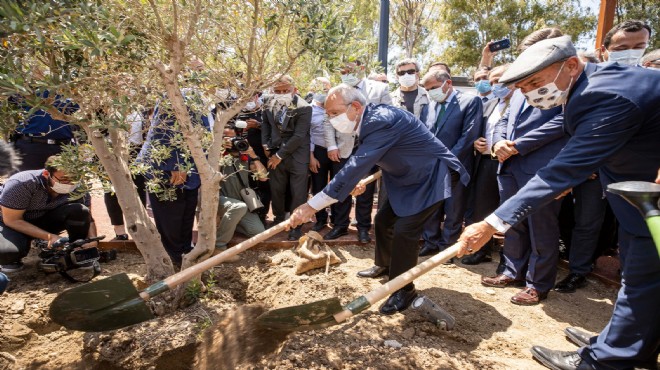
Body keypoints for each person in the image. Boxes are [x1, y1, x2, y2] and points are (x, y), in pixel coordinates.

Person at [458, 35, 660, 370]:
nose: (530, 92)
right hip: (636, 200)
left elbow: (560, 171)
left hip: (650, 202)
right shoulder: (585, 87)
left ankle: (606, 360)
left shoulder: (604, 93)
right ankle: (629, 345)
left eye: (535, 82)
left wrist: (492, 222)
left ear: (571, 65)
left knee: (641, 279)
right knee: (644, 278)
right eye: (523, 88)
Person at [287, 84, 469, 315]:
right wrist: (359, 179)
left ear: (355, 106)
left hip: (432, 175)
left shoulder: (380, 119)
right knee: (383, 221)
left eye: (334, 113)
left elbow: (354, 164)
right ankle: (385, 265)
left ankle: (403, 289)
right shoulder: (370, 118)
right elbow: (373, 155)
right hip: (407, 176)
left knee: (405, 231)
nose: (331, 119)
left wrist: (310, 205)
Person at [138, 93, 210, 268]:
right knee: (172, 217)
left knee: (186, 214)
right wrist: (176, 164)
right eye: (198, 70)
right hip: (169, 169)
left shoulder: (199, 97)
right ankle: (173, 260)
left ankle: (185, 254)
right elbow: (164, 131)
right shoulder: (175, 95)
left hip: (191, 170)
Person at [418, 70, 483, 260]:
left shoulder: (470, 101)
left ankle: (447, 248)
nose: (431, 92)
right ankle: (430, 242)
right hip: (431, 165)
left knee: (454, 207)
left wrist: (448, 160)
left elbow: (469, 135)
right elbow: (424, 135)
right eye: (427, 89)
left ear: (448, 83)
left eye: (433, 88)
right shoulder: (427, 107)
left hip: (457, 165)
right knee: (432, 206)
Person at [330, 60, 393, 243]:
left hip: (369, 147)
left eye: (349, 70)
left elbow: (389, 116)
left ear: (362, 69)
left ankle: (363, 228)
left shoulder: (379, 89)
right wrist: (332, 145)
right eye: (343, 70)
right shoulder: (337, 91)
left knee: (364, 189)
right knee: (342, 186)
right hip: (343, 146)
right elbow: (329, 120)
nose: (346, 73)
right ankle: (340, 226)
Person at [0, 155, 98, 273]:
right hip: (12, 223)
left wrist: (92, 240)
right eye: (64, 179)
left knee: (80, 210)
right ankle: (13, 256)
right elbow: (12, 220)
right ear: (47, 174)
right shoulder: (21, 183)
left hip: (46, 218)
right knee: (7, 253)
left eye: (75, 178)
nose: (70, 183)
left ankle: (77, 250)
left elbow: (89, 217)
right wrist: (49, 237)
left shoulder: (79, 186)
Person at [462, 64, 513, 267]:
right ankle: (481, 250)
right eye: (492, 82)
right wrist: (476, 144)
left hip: (511, 163)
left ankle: (509, 257)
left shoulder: (523, 103)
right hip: (486, 162)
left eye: (500, 80)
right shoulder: (489, 105)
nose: (495, 85)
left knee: (510, 209)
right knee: (482, 208)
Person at [261, 75, 311, 241]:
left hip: (297, 154)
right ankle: (278, 219)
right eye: (277, 91)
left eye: (285, 90)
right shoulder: (267, 102)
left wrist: (278, 155)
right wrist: (265, 146)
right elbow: (266, 126)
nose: (281, 93)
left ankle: (296, 225)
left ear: (294, 89)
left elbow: (298, 136)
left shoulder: (304, 107)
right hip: (274, 151)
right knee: (277, 188)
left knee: (298, 191)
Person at [215, 127, 268, 251]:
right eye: (226, 138)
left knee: (259, 233)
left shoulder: (245, 156)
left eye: (234, 138)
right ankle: (219, 245)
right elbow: (212, 175)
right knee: (238, 207)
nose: (231, 142)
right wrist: (220, 150)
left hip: (240, 203)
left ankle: (229, 222)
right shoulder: (215, 155)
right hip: (219, 199)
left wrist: (253, 155)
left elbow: (264, 178)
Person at [9, 88, 78, 171]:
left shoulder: (68, 89)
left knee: (64, 182)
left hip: (63, 147)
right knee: (26, 181)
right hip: (30, 148)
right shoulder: (20, 88)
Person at [307, 77, 334, 232]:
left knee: (338, 184)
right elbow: (308, 135)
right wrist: (311, 156)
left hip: (337, 150)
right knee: (319, 186)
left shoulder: (337, 106)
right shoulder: (309, 110)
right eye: (319, 89)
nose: (322, 92)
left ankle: (338, 219)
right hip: (317, 152)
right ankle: (321, 219)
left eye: (325, 88)